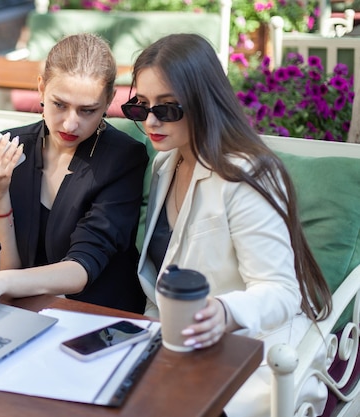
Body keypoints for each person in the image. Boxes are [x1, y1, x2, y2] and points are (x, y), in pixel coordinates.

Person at [122, 34, 333, 416]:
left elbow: (282, 292)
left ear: (203, 101)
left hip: (256, 357)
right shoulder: (166, 163)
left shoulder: (248, 175)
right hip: (181, 347)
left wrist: (223, 311)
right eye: (142, 106)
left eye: (168, 108)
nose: (151, 120)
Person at [0, 33, 149, 314]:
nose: (70, 124)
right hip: (28, 310)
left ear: (108, 100)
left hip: (95, 317)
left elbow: (82, 268)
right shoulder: (12, 146)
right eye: (59, 104)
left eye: (88, 110)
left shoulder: (122, 159)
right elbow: (8, 267)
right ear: (41, 88)